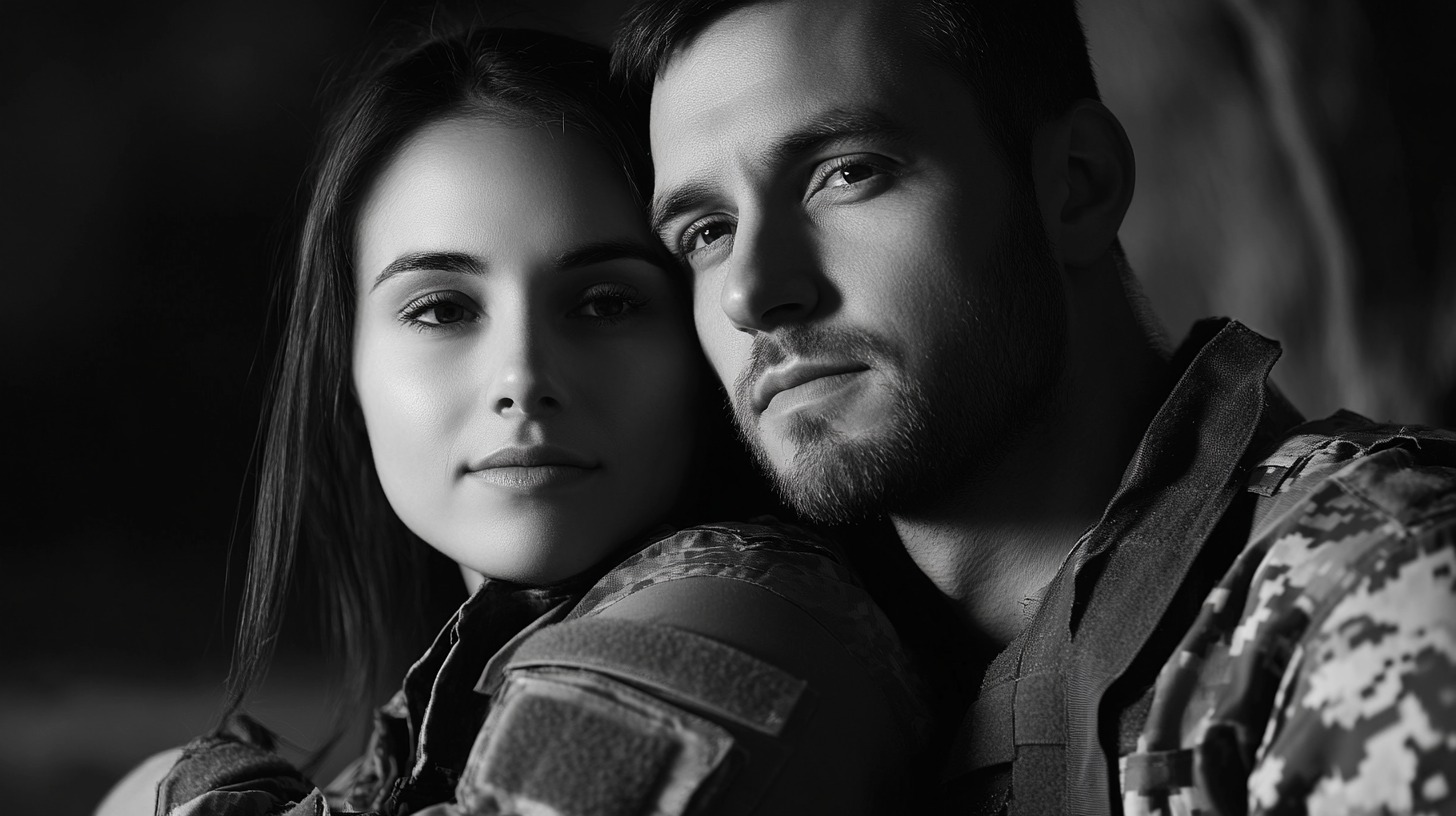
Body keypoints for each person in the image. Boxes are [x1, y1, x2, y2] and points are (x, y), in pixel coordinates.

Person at [612, 0, 1456, 812]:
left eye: (846, 173)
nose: (751, 292)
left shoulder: (1373, 590)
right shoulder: (847, 680)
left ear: (1076, 186)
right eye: (707, 232)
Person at [96, 26, 927, 816]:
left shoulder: (745, 626)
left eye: (605, 303)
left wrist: (174, 788)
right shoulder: (421, 728)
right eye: (441, 309)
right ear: (346, 368)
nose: (523, 379)